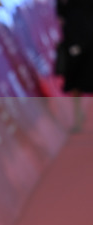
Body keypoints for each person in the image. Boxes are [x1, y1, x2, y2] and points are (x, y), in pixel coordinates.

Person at [56, 0, 93, 132]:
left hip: (88, 39)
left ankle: (78, 119)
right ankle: (77, 119)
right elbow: (61, 13)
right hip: (73, 39)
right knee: (75, 83)